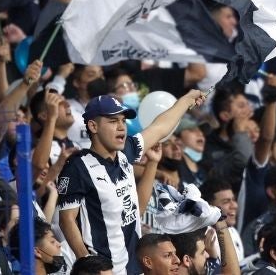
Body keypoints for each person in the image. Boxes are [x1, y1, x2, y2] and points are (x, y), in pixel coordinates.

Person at [57, 91, 205, 274]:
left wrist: (185, 100)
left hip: (135, 268)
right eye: (113, 121)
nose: (121, 127)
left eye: (122, 120)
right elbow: (67, 220)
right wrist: (88, 265)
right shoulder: (77, 167)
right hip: (104, 270)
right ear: (93, 126)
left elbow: (160, 127)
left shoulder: (126, 152)